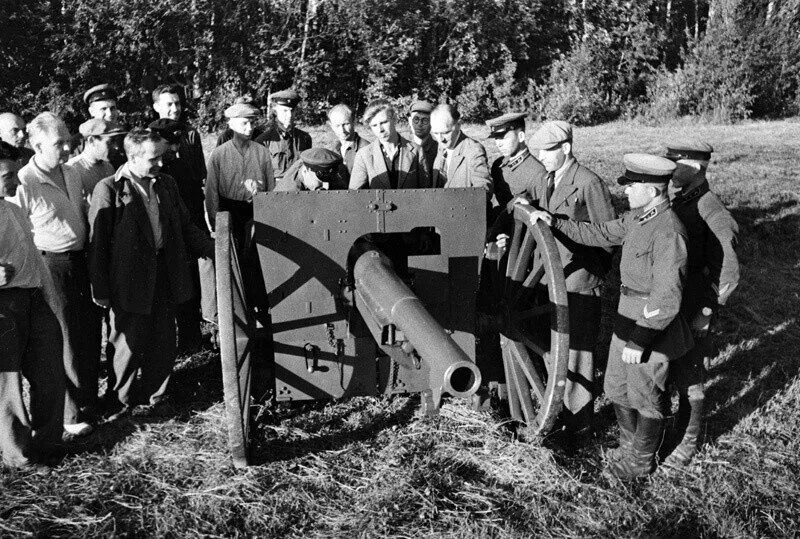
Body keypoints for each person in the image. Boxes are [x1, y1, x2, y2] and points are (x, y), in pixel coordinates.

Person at [525, 153, 693, 479]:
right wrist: (555, 222)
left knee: (646, 395)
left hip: (650, 327)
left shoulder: (668, 231)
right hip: (626, 318)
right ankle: (628, 449)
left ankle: (640, 464)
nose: (626, 191)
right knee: (616, 386)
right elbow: (600, 233)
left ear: (655, 189)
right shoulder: (638, 218)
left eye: (633, 186)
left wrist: (642, 338)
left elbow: (667, 296)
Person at [88, 128, 214, 419]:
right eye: (153, 159)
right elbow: (98, 246)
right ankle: (122, 400)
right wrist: (101, 289)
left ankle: (157, 396)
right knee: (126, 342)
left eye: (162, 157)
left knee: (163, 338)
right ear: (133, 157)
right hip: (128, 280)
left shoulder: (167, 184)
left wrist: (213, 248)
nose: (160, 164)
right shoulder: (109, 189)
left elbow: (185, 225)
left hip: (165, 274)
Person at [524, 120, 616, 438]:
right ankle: (559, 412)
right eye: (539, 152)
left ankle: (579, 428)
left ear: (566, 149)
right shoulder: (549, 178)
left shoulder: (589, 183)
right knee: (558, 349)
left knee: (578, 356)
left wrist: (588, 274)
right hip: (553, 279)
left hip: (578, 281)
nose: (542, 157)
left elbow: (608, 237)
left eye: (548, 151)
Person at [9, 112, 96, 437]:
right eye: (58, 143)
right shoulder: (24, 181)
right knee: (65, 339)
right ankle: (70, 416)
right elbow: (16, 230)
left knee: (87, 332)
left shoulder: (71, 172)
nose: (66, 148)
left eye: (67, 141)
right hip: (50, 265)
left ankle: (87, 401)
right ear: (36, 144)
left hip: (79, 261)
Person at [662, 139, 740, 467]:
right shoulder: (683, 200)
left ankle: (688, 441)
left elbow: (729, 272)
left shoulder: (711, 209)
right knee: (672, 366)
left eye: (675, 163)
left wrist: (707, 312)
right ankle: (671, 428)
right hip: (676, 298)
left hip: (696, 304)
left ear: (694, 167)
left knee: (691, 374)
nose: (669, 169)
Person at [0, 141, 66, 469]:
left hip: (34, 298)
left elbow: (35, 259)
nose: (16, 181)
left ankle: (51, 443)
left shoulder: (12, 208)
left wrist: (51, 298)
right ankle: (18, 456)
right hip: (4, 309)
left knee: (51, 370)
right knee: (8, 383)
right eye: (7, 175)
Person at [149, 118, 209, 354]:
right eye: (168, 144)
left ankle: (190, 339)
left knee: (187, 288)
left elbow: (193, 201)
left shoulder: (179, 167)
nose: (174, 149)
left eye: (176, 144)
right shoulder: (149, 167)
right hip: (158, 240)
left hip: (182, 234)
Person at [205, 102, 275, 247]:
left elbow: (271, 186)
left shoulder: (262, 152)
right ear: (231, 124)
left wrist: (270, 214)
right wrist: (215, 220)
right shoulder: (219, 154)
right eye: (244, 123)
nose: (249, 128)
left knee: (256, 255)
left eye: (252, 123)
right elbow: (211, 190)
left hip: (256, 210)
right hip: (230, 211)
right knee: (234, 254)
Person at [349, 99, 428, 190]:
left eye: (384, 122)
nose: (380, 129)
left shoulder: (417, 151)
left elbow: (427, 192)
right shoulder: (364, 155)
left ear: (394, 119)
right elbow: (354, 195)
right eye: (374, 125)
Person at [429, 104, 491, 194]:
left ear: (458, 125)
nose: (441, 139)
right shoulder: (440, 147)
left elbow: (483, 190)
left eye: (446, 132)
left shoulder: (473, 150)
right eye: (435, 133)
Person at [254, 89, 312, 182]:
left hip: (299, 188)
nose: (289, 115)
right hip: (275, 190)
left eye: (292, 111)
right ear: (276, 111)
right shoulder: (264, 141)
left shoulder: (304, 138)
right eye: (285, 111)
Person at [67, 119, 126, 202]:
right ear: (91, 141)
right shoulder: (73, 170)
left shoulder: (108, 167)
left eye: (116, 141)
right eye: (110, 141)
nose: (116, 147)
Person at [81, 84, 125, 169]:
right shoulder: (80, 141)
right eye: (103, 109)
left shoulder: (123, 136)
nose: (110, 114)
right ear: (92, 112)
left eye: (112, 108)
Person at [276, 148, 349, 192]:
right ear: (305, 171)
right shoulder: (289, 191)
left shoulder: (332, 175)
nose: (326, 187)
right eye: (319, 183)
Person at [327, 104, 369, 174]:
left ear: (354, 122)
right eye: (337, 125)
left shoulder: (366, 149)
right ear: (331, 126)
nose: (342, 130)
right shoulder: (334, 149)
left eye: (346, 124)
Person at [407, 100, 437, 175]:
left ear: (432, 123)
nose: (420, 124)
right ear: (410, 121)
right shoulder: (402, 147)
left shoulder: (438, 150)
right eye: (416, 119)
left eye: (425, 120)